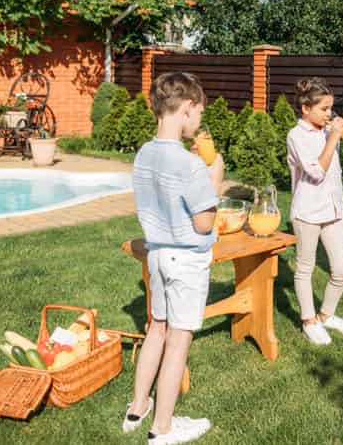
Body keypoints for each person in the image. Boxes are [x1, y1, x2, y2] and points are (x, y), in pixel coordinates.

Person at [122, 72, 224, 444]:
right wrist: (214, 178)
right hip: (186, 261)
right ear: (186, 108)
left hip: (157, 255)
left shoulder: (144, 154)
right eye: (198, 113)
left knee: (157, 328)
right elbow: (203, 223)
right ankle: (162, 428)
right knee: (179, 340)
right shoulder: (190, 164)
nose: (199, 121)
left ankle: (137, 407)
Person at [286, 77, 343, 344]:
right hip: (307, 211)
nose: (329, 114)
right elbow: (316, 172)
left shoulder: (326, 130)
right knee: (305, 267)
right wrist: (333, 138)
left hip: (332, 209)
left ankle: (327, 315)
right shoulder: (296, 136)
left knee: (342, 270)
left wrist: (338, 133)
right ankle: (308, 320)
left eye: (331, 108)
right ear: (306, 108)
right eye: (324, 109)